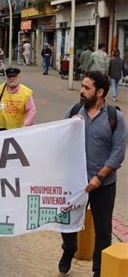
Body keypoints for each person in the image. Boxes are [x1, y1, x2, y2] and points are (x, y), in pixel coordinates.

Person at [58, 71, 125, 277]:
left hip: (103, 185)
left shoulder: (115, 117)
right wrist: (71, 126)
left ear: (100, 92)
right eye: (82, 86)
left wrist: (99, 177)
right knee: (67, 222)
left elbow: (118, 152)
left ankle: (99, 270)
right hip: (75, 183)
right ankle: (69, 250)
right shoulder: (75, 110)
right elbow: (59, 139)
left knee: (103, 230)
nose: (81, 91)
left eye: (87, 88)